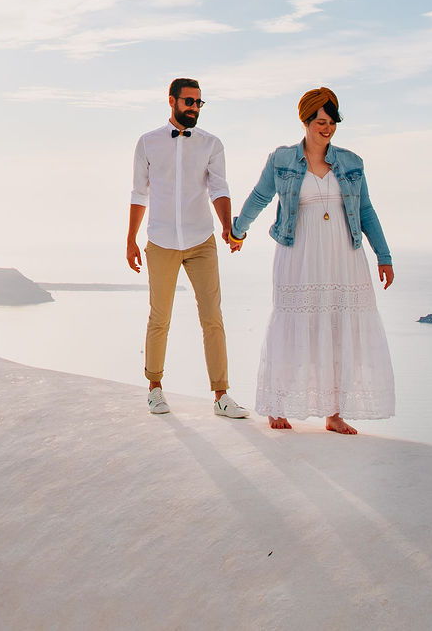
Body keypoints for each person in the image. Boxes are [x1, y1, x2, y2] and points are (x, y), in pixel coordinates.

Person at [230, 86, 395, 433]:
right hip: (298, 253)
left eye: (332, 121)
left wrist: (384, 255)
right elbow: (260, 196)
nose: (327, 127)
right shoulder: (282, 159)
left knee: (337, 330)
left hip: (343, 256)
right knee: (293, 326)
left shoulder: (351, 162)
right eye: (320, 121)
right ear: (305, 121)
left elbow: (365, 210)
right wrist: (238, 231)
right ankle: (278, 406)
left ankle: (334, 414)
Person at [128, 78, 249, 419]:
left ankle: (222, 395)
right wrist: (130, 240)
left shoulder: (211, 144)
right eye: (189, 102)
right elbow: (139, 193)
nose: (195, 108)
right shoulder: (148, 143)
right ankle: (154, 389)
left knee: (213, 318)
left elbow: (219, 188)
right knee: (159, 317)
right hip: (161, 241)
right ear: (172, 101)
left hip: (201, 242)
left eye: (199, 103)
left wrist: (228, 227)